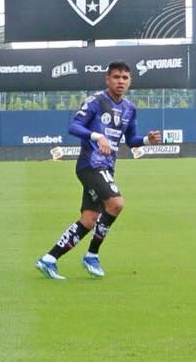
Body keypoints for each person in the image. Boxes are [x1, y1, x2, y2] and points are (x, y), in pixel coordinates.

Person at [36, 61, 162, 280]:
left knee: (89, 219)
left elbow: (131, 140)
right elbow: (73, 127)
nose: (120, 81)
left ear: (130, 81)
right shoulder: (96, 101)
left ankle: (49, 259)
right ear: (107, 79)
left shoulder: (129, 109)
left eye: (124, 78)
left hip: (106, 168)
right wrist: (97, 136)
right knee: (116, 203)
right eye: (116, 77)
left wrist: (147, 140)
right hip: (90, 165)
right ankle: (92, 255)